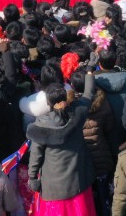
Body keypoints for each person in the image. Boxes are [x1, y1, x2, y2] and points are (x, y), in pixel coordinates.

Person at [28, 75, 98, 216]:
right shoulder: (78, 113)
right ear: (65, 98)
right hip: (79, 181)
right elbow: (89, 94)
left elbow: (36, 157)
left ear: (48, 102)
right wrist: (89, 72)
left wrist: (33, 178)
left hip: (54, 187)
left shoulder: (41, 126)